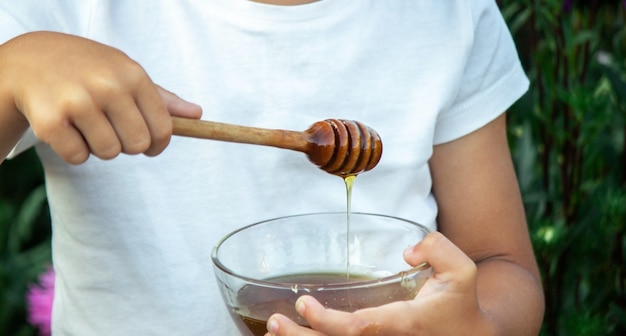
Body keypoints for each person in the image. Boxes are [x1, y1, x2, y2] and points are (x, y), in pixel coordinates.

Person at [0, 0, 545, 335]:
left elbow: (500, 264)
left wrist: (476, 326)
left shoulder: (450, 14)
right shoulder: (68, 7)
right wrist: (16, 67)